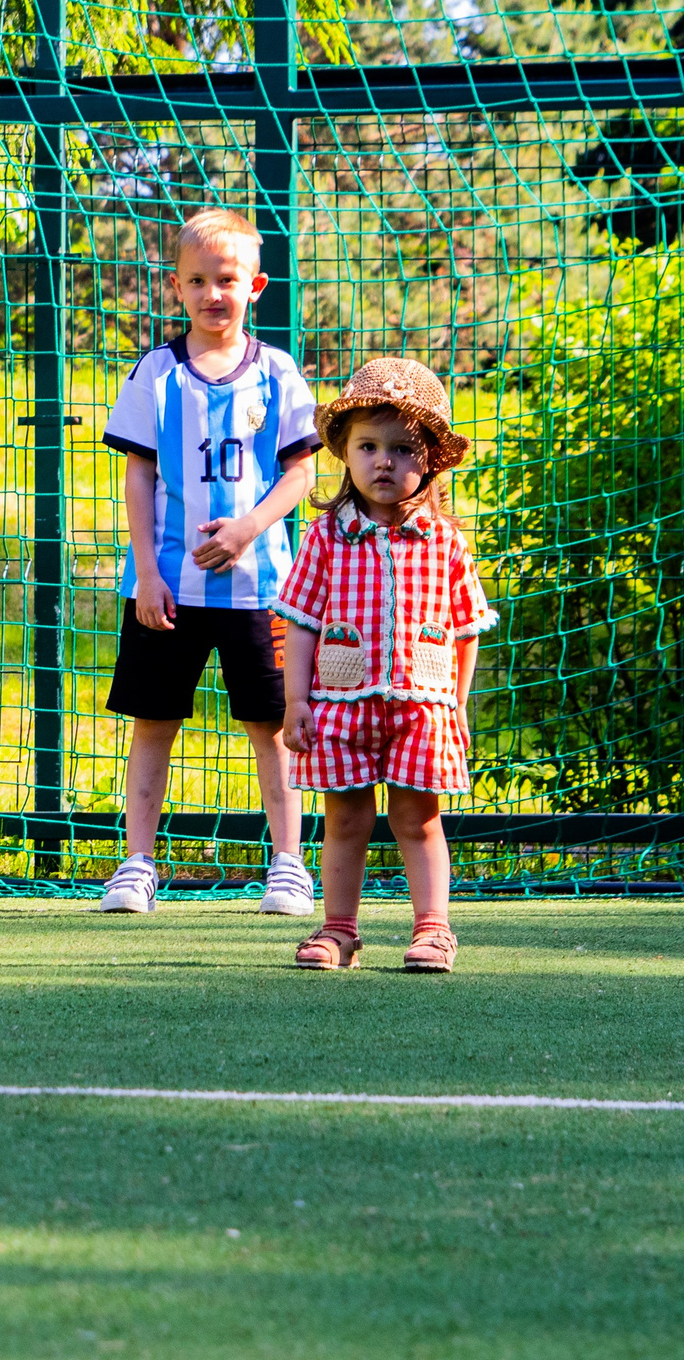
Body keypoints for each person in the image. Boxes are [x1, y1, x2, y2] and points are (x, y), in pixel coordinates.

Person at [94, 209, 321, 916]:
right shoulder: (156, 372)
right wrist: (147, 574)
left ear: (254, 285)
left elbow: (302, 476)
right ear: (177, 287)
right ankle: (136, 864)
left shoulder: (278, 372)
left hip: (262, 591)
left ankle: (288, 864)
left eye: (226, 280)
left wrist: (249, 527)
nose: (212, 294)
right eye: (197, 280)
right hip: (168, 589)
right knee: (153, 723)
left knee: (274, 725)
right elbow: (137, 476)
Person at [273, 357, 494, 973]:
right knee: (345, 817)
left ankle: (433, 929)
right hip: (341, 707)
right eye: (368, 446)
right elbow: (301, 624)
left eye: (402, 448)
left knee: (417, 818)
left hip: (423, 709)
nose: (384, 462)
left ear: (432, 460)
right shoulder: (324, 539)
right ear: (344, 451)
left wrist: (456, 704)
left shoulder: (445, 541)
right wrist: (296, 704)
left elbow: (464, 630)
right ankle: (338, 929)